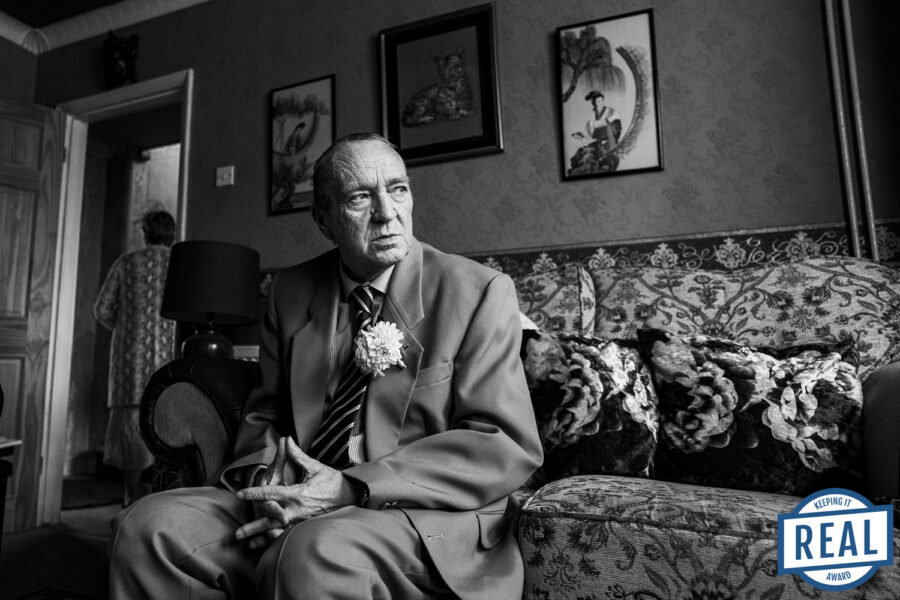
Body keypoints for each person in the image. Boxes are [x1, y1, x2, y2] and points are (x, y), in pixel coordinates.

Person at [109, 133, 543, 599]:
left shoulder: (479, 291)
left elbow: (502, 443)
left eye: (398, 189)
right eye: (360, 197)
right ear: (324, 219)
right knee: (145, 527)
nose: (386, 211)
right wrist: (268, 486)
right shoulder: (289, 292)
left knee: (308, 550)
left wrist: (349, 488)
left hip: (420, 514)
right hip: (299, 495)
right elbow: (266, 415)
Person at [94, 209, 177, 507]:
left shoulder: (127, 263)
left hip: (131, 358)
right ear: (173, 234)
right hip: (169, 356)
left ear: (144, 233)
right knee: (167, 418)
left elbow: (102, 309)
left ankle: (131, 495)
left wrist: (129, 321)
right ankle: (161, 499)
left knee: (131, 423)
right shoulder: (180, 263)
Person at [570, 90, 622, 174]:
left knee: (595, 155)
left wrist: (608, 127)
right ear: (594, 103)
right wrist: (581, 135)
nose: (600, 103)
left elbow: (616, 124)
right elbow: (589, 130)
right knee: (584, 154)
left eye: (601, 100)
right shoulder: (593, 116)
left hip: (607, 141)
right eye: (598, 101)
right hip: (596, 140)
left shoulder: (610, 111)